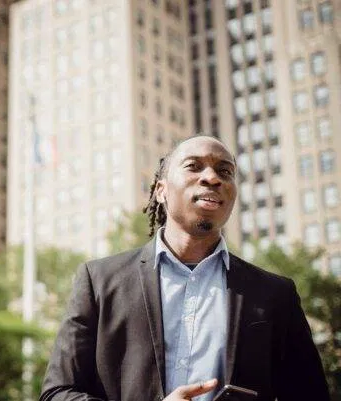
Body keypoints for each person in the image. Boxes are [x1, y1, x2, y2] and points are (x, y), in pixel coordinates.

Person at [40, 136, 329, 401]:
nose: (212, 177)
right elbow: (57, 393)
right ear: (161, 191)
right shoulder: (99, 281)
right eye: (194, 166)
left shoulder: (276, 293)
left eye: (225, 171)